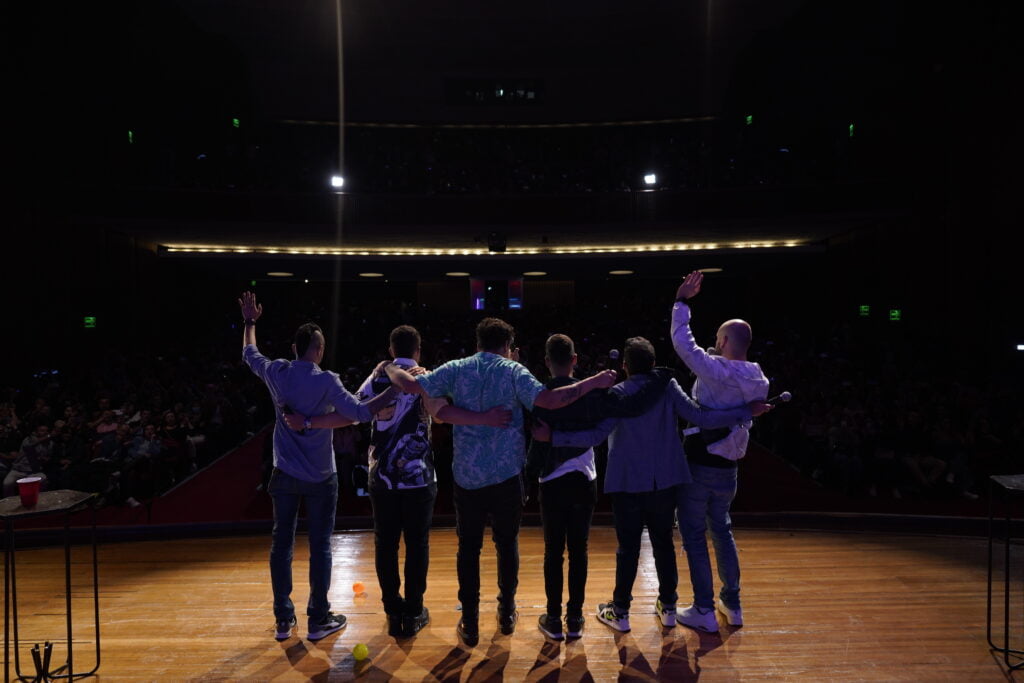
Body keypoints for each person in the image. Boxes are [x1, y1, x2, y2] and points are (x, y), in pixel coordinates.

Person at [384, 317, 617, 646]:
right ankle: (506, 611)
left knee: (468, 549)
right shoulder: (513, 370)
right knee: (507, 545)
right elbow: (550, 400)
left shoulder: (457, 368)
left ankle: (470, 621)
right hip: (507, 476)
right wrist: (593, 382)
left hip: (467, 477)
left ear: (478, 342)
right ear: (507, 346)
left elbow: (409, 385)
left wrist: (390, 367)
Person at [285, 325, 512, 639]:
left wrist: (309, 423)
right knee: (417, 545)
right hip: (419, 479)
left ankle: (393, 612)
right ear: (418, 350)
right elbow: (442, 414)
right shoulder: (427, 377)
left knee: (386, 544)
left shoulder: (377, 377)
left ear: (392, 350)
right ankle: (414, 611)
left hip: (382, 478)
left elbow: (352, 414)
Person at [532, 336, 768, 633]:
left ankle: (621, 612)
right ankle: (668, 607)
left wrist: (554, 438)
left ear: (625, 366)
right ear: (653, 363)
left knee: (628, 549)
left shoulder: (617, 394)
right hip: (664, 480)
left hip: (627, 482)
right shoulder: (668, 386)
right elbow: (702, 417)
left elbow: (595, 436)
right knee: (663, 543)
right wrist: (746, 411)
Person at [238, 291, 395, 642]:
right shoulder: (327, 380)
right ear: (320, 350)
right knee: (320, 547)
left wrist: (250, 322)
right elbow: (359, 413)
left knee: (281, 545)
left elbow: (249, 353)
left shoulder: (277, 372)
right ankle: (318, 619)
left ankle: (283, 621)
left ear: (295, 348)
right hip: (322, 477)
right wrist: (396, 390)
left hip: (284, 474)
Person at [527, 333, 669, 641]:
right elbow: (632, 405)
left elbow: (536, 445)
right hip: (584, 479)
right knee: (579, 550)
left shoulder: (540, 396)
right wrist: (660, 377)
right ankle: (575, 618)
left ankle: (554, 619)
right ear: (575, 360)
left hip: (551, 481)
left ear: (547, 361)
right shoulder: (593, 393)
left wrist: (528, 478)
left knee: (554, 552)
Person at [671, 270, 770, 632]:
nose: (714, 343)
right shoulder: (759, 379)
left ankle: (703, 609)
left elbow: (684, 343)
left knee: (695, 536)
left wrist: (681, 302)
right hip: (729, 470)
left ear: (724, 340)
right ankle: (733, 604)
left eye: (717, 339)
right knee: (722, 531)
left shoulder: (716, 371)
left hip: (700, 462)